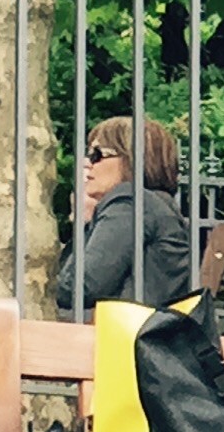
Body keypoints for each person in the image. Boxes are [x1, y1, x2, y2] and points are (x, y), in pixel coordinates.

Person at [54, 115, 193, 314]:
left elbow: (76, 289)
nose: (87, 162)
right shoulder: (157, 205)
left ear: (131, 158)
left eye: (97, 154)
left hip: (124, 341)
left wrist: (82, 224)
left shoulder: (130, 201)